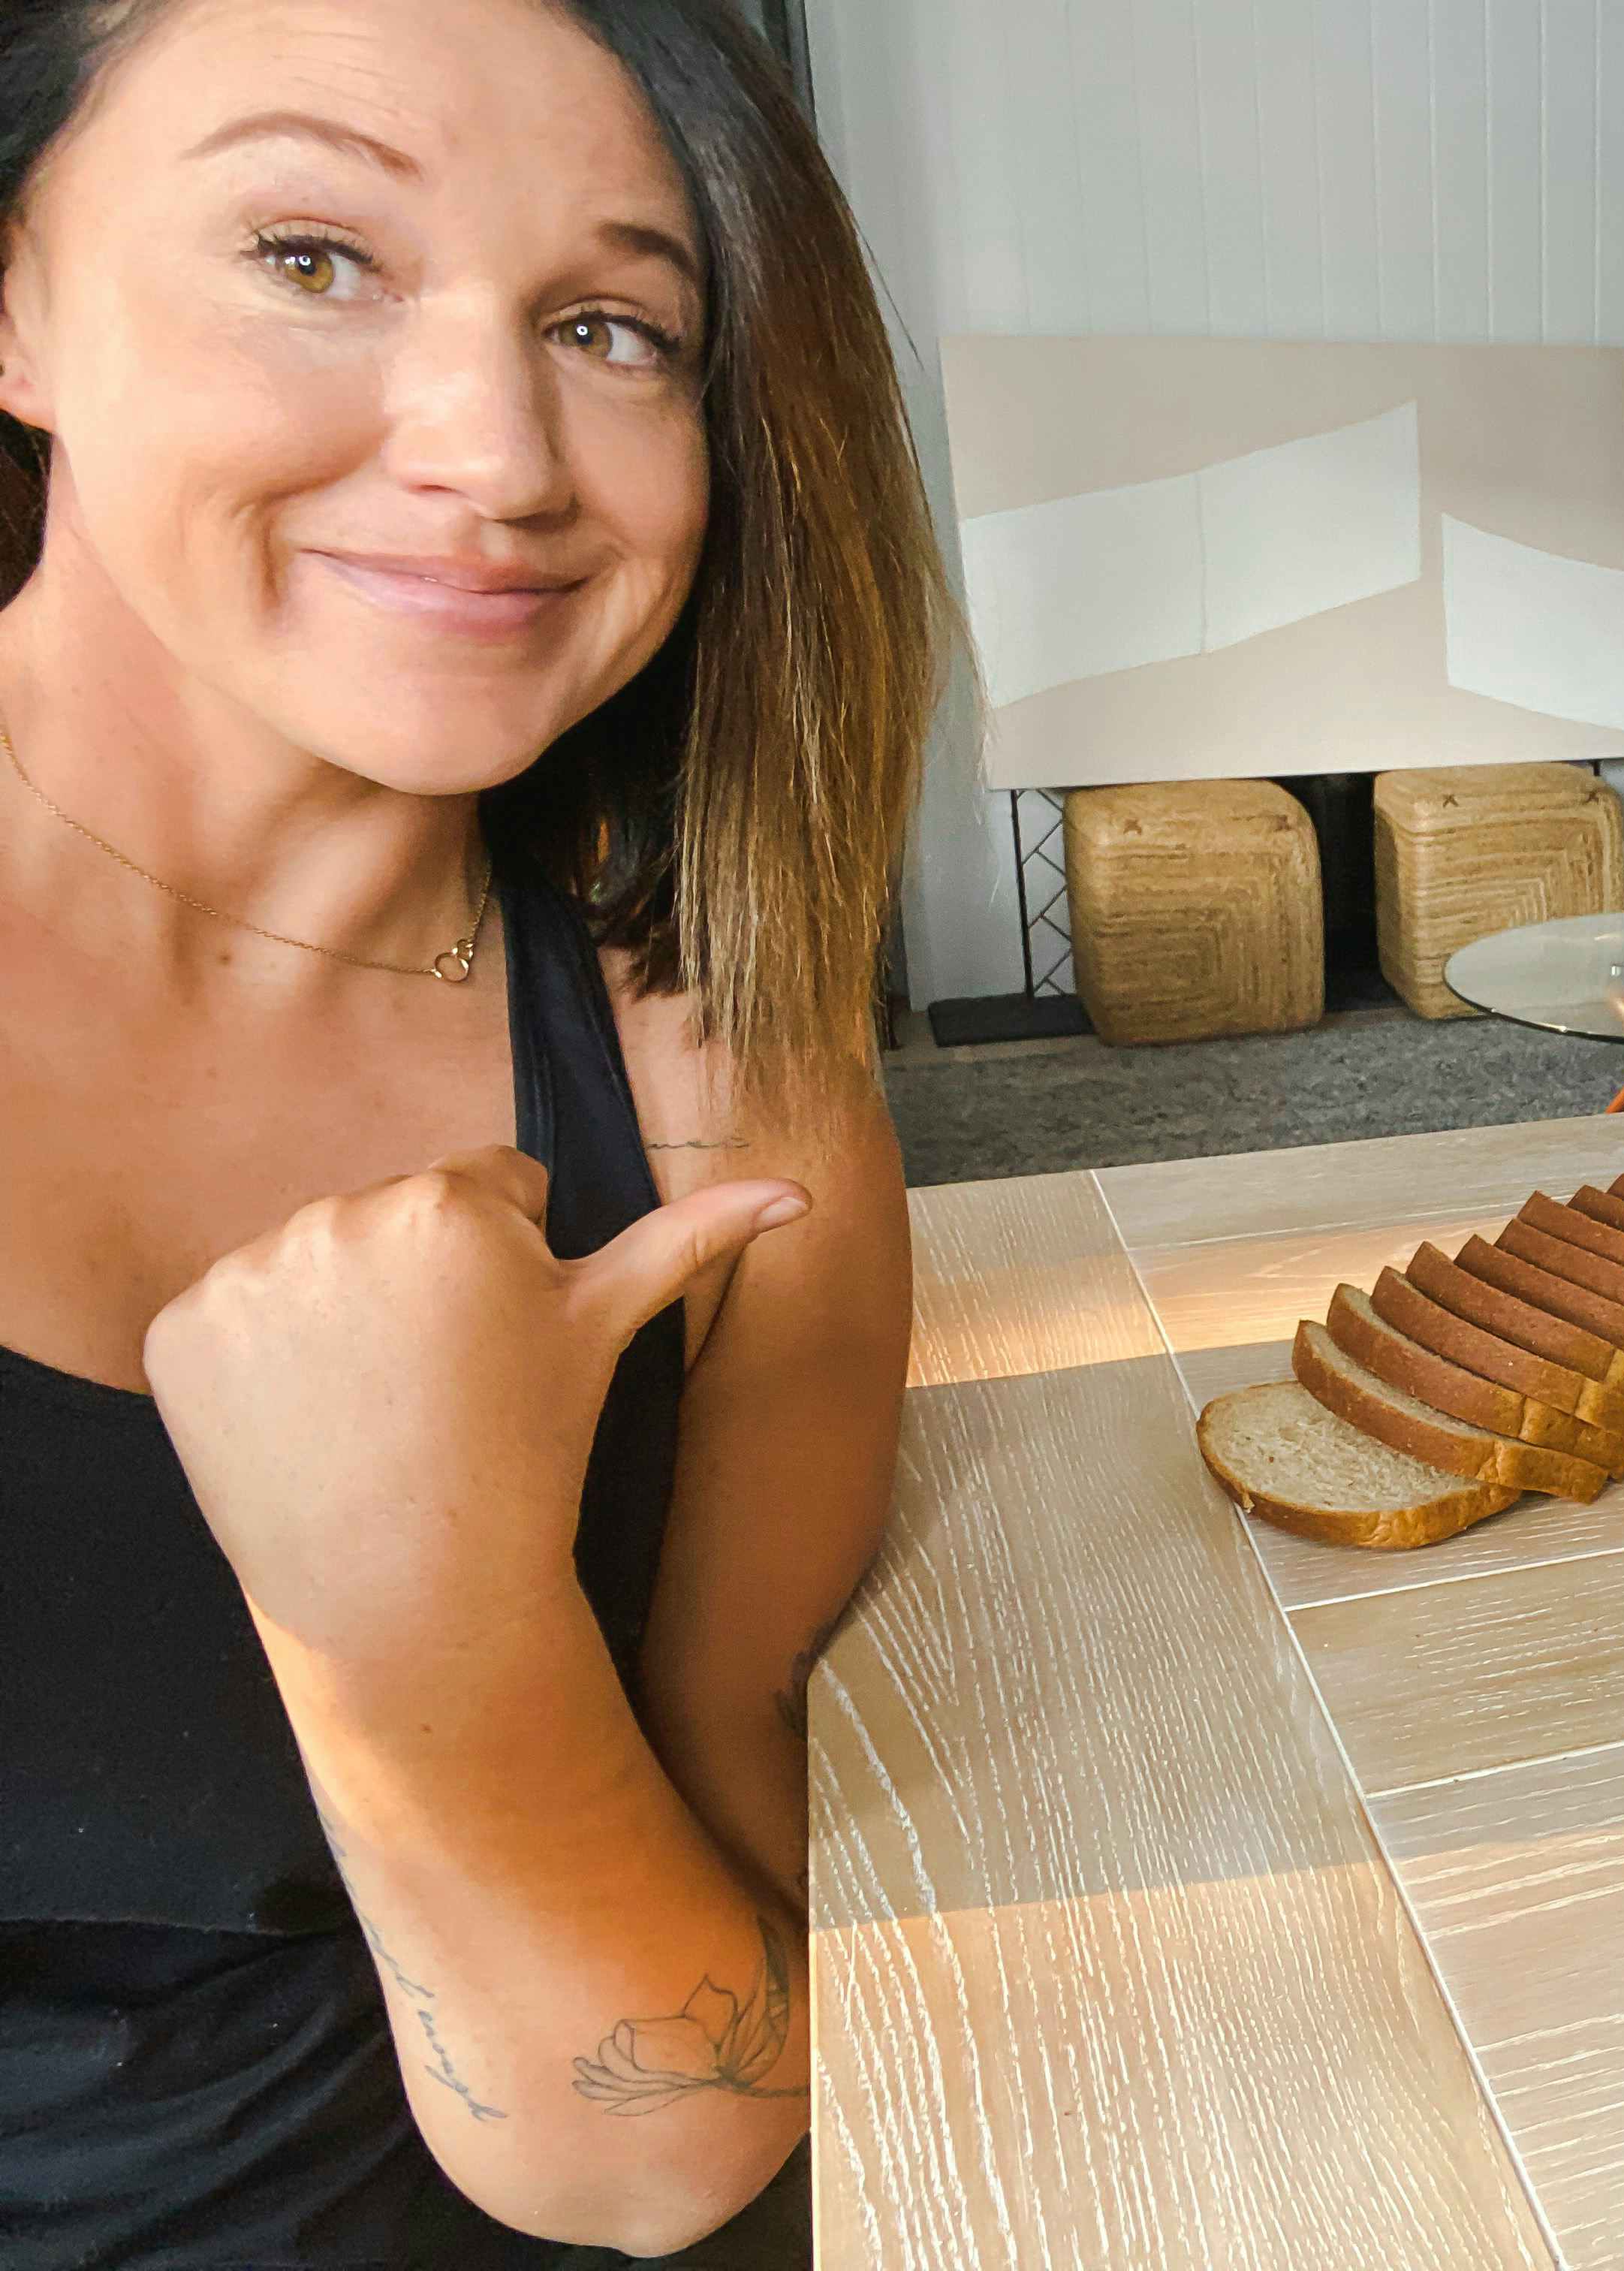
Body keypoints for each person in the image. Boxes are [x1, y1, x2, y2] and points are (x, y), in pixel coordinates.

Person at [0, 0, 951, 2259]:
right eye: (313, 255)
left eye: (614, 326)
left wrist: (420, 1623)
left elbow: (685, 2135)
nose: (498, 453)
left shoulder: (729, 1089)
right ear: (18, 300)